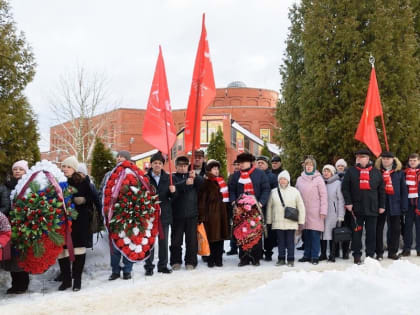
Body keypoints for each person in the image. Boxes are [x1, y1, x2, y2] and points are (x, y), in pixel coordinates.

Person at [59, 156, 100, 291]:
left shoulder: (83, 182)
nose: (64, 169)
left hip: (79, 221)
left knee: (78, 250)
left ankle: (77, 280)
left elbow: (93, 198)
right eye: (63, 166)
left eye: (68, 167)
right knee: (63, 251)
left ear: (74, 169)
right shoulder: (59, 182)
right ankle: (66, 280)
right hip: (63, 221)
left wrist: (83, 200)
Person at [341, 149, 385, 265]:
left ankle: (370, 254)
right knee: (356, 233)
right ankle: (356, 255)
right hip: (356, 209)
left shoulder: (376, 172)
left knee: (371, 233)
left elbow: (381, 191)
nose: (359, 158)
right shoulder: (351, 171)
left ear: (368, 158)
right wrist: (348, 202)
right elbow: (345, 188)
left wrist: (382, 205)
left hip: (372, 208)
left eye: (362, 157)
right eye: (358, 157)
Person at [229, 152, 270, 267]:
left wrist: (260, 203)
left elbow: (266, 189)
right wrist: (234, 202)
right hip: (240, 210)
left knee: (255, 233)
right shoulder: (236, 175)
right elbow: (231, 190)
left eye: (243, 162)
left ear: (250, 162)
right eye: (239, 163)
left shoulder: (259, 174)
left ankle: (256, 257)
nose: (240, 165)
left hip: (255, 208)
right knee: (241, 233)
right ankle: (243, 257)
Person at [144, 152, 176, 276]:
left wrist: (173, 192)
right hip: (150, 215)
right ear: (151, 164)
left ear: (163, 165)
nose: (157, 165)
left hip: (164, 214)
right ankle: (148, 266)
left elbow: (173, 198)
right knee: (150, 242)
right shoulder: (145, 178)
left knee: (163, 241)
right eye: (155, 163)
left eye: (160, 163)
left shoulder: (168, 178)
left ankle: (162, 265)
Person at [107, 150, 136, 281]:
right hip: (114, 215)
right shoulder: (109, 175)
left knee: (128, 242)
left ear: (128, 160)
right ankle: (115, 270)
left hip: (129, 214)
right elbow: (103, 191)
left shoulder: (135, 174)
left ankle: (127, 270)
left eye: (122, 157)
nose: (119, 158)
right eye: (117, 156)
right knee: (115, 244)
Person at [266, 170, 305, 267]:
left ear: (288, 180)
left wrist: (301, 221)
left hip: (291, 222)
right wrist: (269, 220)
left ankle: (291, 259)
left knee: (290, 242)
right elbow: (269, 207)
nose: (283, 181)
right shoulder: (273, 192)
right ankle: (281, 259)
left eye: (284, 179)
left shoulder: (295, 191)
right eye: (281, 179)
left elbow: (301, 206)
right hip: (278, 222)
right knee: (281, 242)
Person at [170, 156, 203, 270]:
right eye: (180, 166)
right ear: (176, 166)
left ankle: (191, 261)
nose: (183, 168)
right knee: (176, 241)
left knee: (191, 241)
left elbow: (202, 185)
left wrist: (196, 177)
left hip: (192, 215)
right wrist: (185, 183)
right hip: (177, 215)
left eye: (185, 166)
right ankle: (175, 261)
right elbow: (173, 189)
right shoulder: (172, 177)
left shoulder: (193, 176)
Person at [374, 151, 407, 260]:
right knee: (379, 229)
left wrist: (404, 206)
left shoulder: (399, 173)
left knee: (396, 229)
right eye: (384, 158)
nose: (386, 160)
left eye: (388, 158)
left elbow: (403, 190)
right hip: (380, 204)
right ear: (381, 160)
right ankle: (379, 252)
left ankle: (392, 252)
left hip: (395, 204)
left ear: (393, 159)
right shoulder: (377, 172)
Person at [296, 156, 328, 265]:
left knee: (314, 234)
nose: (308, 167)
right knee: (306, 234)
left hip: (316, 211)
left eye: (311, 165)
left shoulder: (318, 179)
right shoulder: (300, 179)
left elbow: (324, 196)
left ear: (314, 166)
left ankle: (314, 256)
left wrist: (323, 210)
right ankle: (306, 255)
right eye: (307, 165)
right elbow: (296, 194)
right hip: (303, 211)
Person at [198, 160, 229, 267]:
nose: (216, 171)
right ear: (209, 170)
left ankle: (219, 258)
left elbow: (226, 199)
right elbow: (201, 201)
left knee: (220, 238)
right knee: (211, 238)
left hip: (221, 215)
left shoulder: (221, 181)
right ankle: (211, 259)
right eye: (214, 169)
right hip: (210, 216)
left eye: (217, 168)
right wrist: (202, 216)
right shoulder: (205, 183)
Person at [5, 160, 29, 294]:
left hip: (24, 224)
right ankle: (15, 283)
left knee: (21, 254)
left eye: (21, 169)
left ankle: (23, 283)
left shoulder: (29, 185)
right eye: (15, 169)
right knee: (12, 255)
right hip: (9, 223)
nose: (18, 171)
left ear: (26, 171)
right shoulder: (6, 186)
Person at [320, 165, 345, 262]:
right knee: (322, 234)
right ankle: (323, 254)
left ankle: (332, 254)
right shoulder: (320, 182)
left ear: (332, 172)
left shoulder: (337, 183)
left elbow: (341, 200)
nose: (325, 173)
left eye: (328, 171)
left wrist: (340, 216)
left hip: (333, 213)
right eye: (324, 171)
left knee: (332, 234)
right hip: (322, 212)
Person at [256, 155, 277, 261]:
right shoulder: (253, 175)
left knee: (268, 231)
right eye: (258, 162)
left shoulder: (272, 177)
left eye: (262, 163)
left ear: (267, 165)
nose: (260, 164)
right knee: (256, 230)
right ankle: (258, 251)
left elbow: (275, 193)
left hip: (268, 207)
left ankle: (268, 252)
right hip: (256, 207)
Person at [402, 153, 420, 256]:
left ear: (418, 161)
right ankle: (407, 248)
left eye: (415, 160)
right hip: (408, 204)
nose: (412, 162)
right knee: (407, 228)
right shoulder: (404, 173)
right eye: (411, 161)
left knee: (419, 228)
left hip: (418, 203)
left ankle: (419, 249)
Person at [335, 158, 351, 259]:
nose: (340, 167)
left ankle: (345, 251)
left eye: (342, 166)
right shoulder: (333, 177)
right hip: (336, 207)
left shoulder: (348, 176)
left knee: (346, 229)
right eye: (339, 166)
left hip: (347, 206)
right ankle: (335, 250)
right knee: (336, 229)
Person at [226, 160, 240, 256]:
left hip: (244, 204)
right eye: (234, 164)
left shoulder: (244, 175)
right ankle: (233, 247)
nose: (236, 166)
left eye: (238, 164)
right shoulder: (231, 176)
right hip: (233, 204)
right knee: (233, 227)